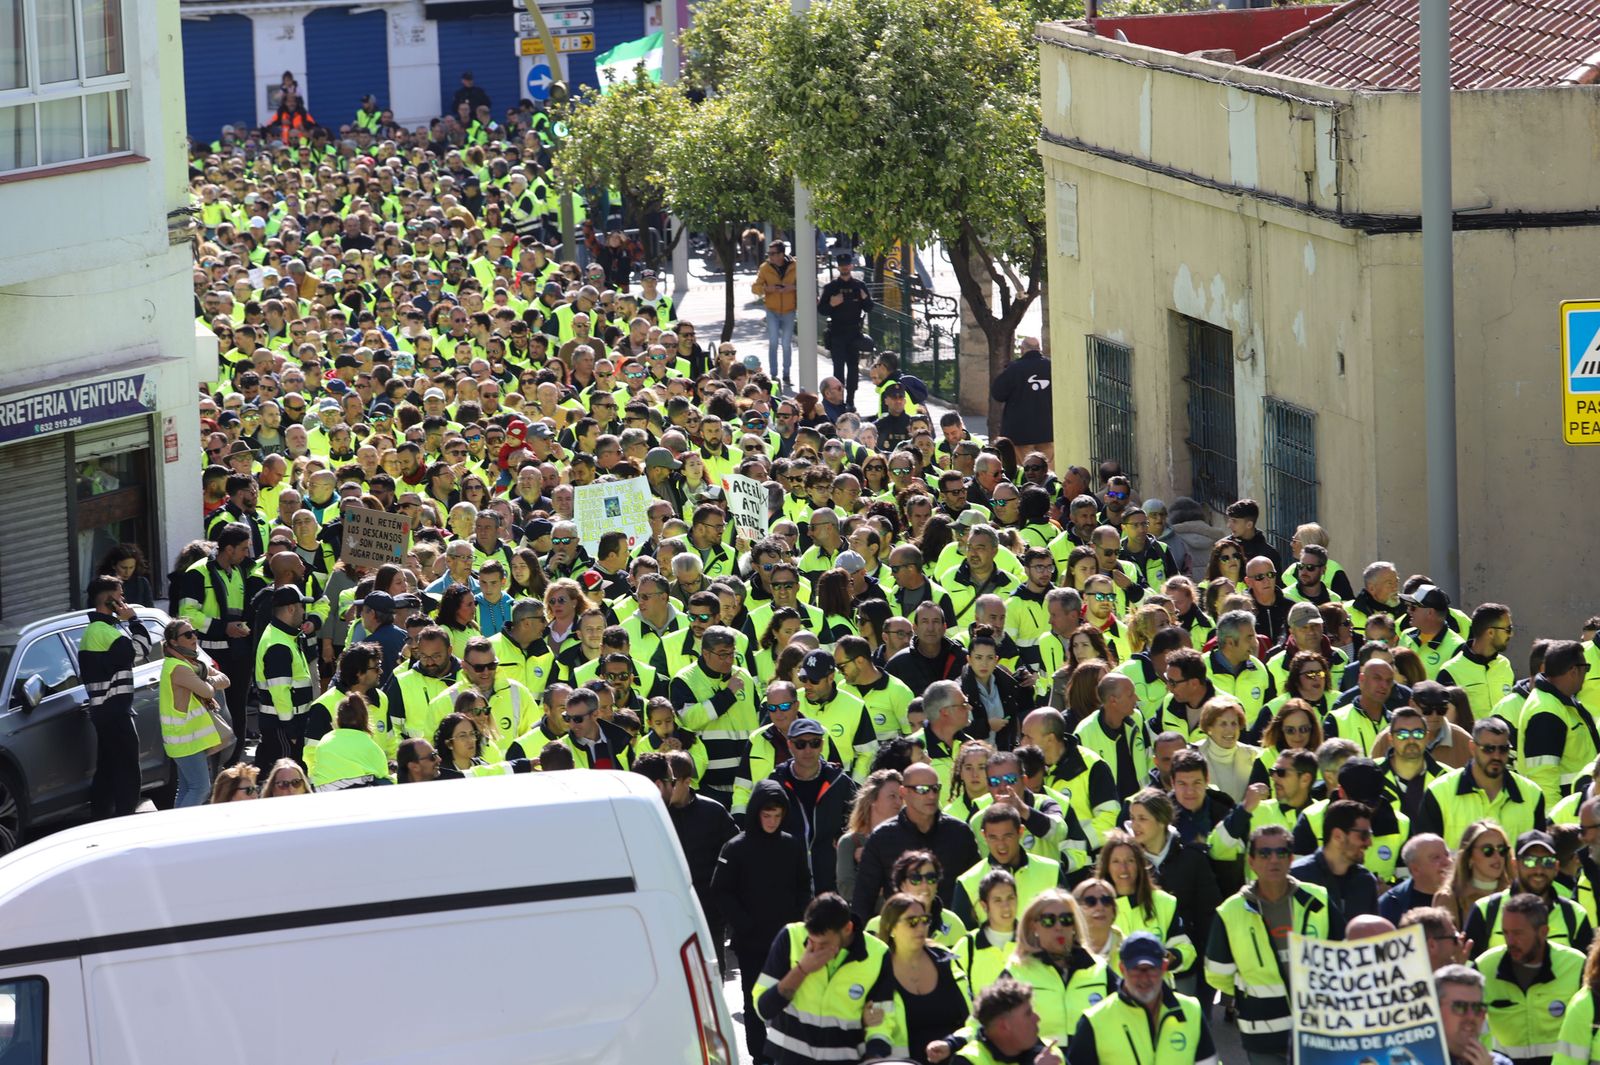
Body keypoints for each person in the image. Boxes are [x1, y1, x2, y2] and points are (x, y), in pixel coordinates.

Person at [1205, 824, 1339, 1065]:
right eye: (1265, 853)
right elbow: (1217, 974)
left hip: (1318, 1031)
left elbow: (1344, 954)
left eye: (1282, 852)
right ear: (1252, 861)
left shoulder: (1318, 899)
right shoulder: (1229, 912)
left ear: (1291, 858)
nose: (1274, 859)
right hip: (1262, 1034)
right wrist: (1248, 994)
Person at [753, 892, 889, 1065]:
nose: (815, 949)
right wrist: (802, 970)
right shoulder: (790, 936)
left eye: (824, 944)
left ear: (847, 929)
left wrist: (874, 1058)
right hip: (789, 1059)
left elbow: (883, 1022)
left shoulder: (878, 953)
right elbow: (763, 1008)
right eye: (811, 940)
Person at [1066, 930, 1219, 1065]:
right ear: (1122, 969)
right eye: (1136, 970)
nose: (1144, 979)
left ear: (1164, 967)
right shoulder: (1094, 1021)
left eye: (1151, 969)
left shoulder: (1191, 1011)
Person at [854, 761, 981, 917]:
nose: (931, 795)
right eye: (923, 790)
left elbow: (977, 887)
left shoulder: (960, 833)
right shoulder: (882, 838)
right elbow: (863, 899)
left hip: (952, 933)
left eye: (935, 789)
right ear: (903, 793)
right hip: (899, 933)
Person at [1473, 893, 1584, 1065]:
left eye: (1518, 933)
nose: (1510, 941)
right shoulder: (1483, 968)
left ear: (1543, 932)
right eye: (1505, 933)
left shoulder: (1577, 966)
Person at [862, 892, 973, 1063]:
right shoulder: (879, 971)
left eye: (925, 920)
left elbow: (975, 1020)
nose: (921, 927)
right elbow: (880, 1030)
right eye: (912, 922)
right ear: (891, 928)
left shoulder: (946, 960)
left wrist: (951, 1044)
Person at [772, 717, 858, 894]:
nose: (808, 750)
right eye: (800, 744)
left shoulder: (840, 782)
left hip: (832, 882)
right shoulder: (775, 782)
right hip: (789, 883)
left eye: (815, 743)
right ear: (789, 745)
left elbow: (857, 823)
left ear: (822, 744)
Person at [158, 617, 229, 808]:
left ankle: (175, 829)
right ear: (174, 642)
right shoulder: (179, 668)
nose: (194, 637)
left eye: (194, 632)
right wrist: (209, 681)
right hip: (184, 739)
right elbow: (208, 691)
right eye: (188, 634)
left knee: (188, 787)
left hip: (187, 739)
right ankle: (182, 830)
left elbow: (226, 680)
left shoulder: (192, 664)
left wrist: (206, 680)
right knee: (200, 788)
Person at [254, 585, 316, 770]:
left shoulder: (283, 636)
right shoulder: (278, 645)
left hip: (282, 724)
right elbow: (280, 692)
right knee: (284, 780)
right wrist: (291, 730)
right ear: (291, 609)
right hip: (282, 727)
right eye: (301, 606)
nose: (304, 611)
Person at [1290, 798, 1378, 927]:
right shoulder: (1297, 877)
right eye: (1364, 835)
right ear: (1338, 836)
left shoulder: (1366, 882)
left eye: (1369, 835)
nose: (1369, 843)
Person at [817, 253, 872, 405]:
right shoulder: (831, 287)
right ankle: (839, 402)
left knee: (853, 369)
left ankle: (851, 401)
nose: (845, 267)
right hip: (837, 333)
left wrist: (864, 298)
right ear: (838, 267)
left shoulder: (859, 286)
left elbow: (869, 307)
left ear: (852, 266)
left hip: (854, 333)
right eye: (842, 265)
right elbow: (822, 310)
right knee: (838, 371)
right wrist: (832, 304)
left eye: (847, 264)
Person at [991, 338, 1053, 471]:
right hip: (1048, 430)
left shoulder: (1015, 368)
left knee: (1024, 470)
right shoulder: (1051, 367)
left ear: (1022, 349)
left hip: (1020, 433)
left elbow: (998, 394)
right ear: (1039, 349)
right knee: (1048, 469)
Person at [1436, 965, 1513, 1065]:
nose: (1471, 1016)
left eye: (1477, 1007)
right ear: (1436, 1011)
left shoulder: (1500, 1063)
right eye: (1459, 1006)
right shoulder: (1416, 1061)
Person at [1379, 833, 1454, 923]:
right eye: (1436, 858)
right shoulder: (1392, 905)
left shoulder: (1466, 896)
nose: (1447, 862)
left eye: (1447, 855)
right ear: (1415, 869)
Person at [752, 240, 798, 382]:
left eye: (773, 253)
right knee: (773, 342)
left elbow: (805, 283)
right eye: (769, 253)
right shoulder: (765, 268)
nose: (770, 256)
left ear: (782, 254)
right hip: (772, 310)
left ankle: (786, 373)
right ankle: (773, 374)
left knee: (786, 343)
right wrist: (767, 289)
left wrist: (793, 288)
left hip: (789, 310)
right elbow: (755, 288)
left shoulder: (795, 266)